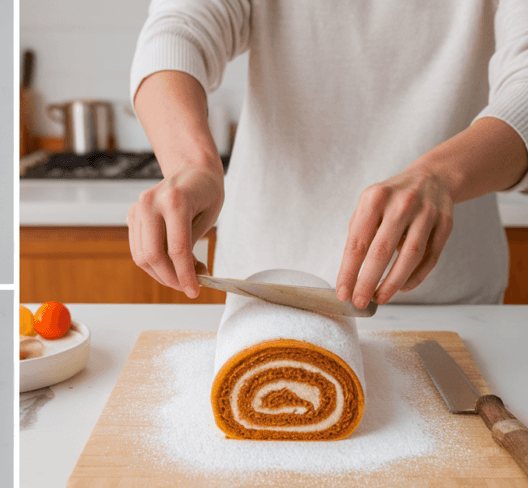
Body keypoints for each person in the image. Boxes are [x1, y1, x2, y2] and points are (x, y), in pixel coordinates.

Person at [127, 0, 528, 307]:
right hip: (265, 287)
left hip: (448, 300)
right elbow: (177, 31)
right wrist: (191, 163)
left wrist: (439, 177)